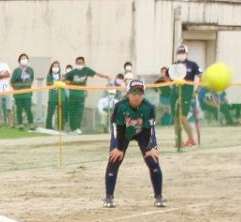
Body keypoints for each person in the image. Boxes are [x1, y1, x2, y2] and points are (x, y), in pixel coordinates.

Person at [103, 80, 165, 208]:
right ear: (128, 93)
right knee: (114, 158)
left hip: (143, 133)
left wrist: (151, 147)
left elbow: (150, 130)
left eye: (140, 92)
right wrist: (118, 148)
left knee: (152, 159)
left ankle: (159, 196)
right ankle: (109, 197)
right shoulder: (120, 107)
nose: (137, 96)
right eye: (134, 92)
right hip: (123, 132)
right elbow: (117, 128)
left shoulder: (149, 107)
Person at [64, 57, 109, 134]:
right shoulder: (72, 72)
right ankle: (73, 129)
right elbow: (64, 78)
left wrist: (105, 77)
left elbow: (97, 74)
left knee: (79, 112)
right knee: (72, 112)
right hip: (72, 94)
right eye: (78, 63)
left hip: (81, 94)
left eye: (81, 63)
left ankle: (77, 128)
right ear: (76, 63)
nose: (79, 64)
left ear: (84, 63)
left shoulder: (86, 70)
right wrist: (66, 83)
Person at [174, 44, 201, 146]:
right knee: (176, 118)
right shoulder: (174, 65)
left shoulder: (192, 65)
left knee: (183, 117)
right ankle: (178, 140)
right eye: (179, 53)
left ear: (186, 53)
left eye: (183, 53)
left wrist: (197, 91)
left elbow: (202, 77)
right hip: (176, 94)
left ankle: (191, 139)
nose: (181, 55)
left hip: (187, 94)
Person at [11, 56, 35, 128]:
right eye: (22, 59)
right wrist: (17, 88)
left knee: (28, 109)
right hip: (18, 95)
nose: (24, 60)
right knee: (19, 110)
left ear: (27, 60)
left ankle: (31, 124)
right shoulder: (16, 70)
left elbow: (32, 79)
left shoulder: (30, 70)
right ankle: (20, 124)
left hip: (27, 94)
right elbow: (12, 82)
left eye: (25, 59)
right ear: (19, 61)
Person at [45, 61, 65, 131]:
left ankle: (60, 128)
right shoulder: (49, 75)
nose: (55, 68)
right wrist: (58, 82)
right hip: (52, 97)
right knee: (50, 113)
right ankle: (48, 127)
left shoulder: (62, 76)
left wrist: (60, 82)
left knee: (60, 113)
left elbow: (64, 84)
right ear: (51, 67)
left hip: (60, 97)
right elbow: (48, 84)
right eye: (54, 66)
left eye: (57, 66)